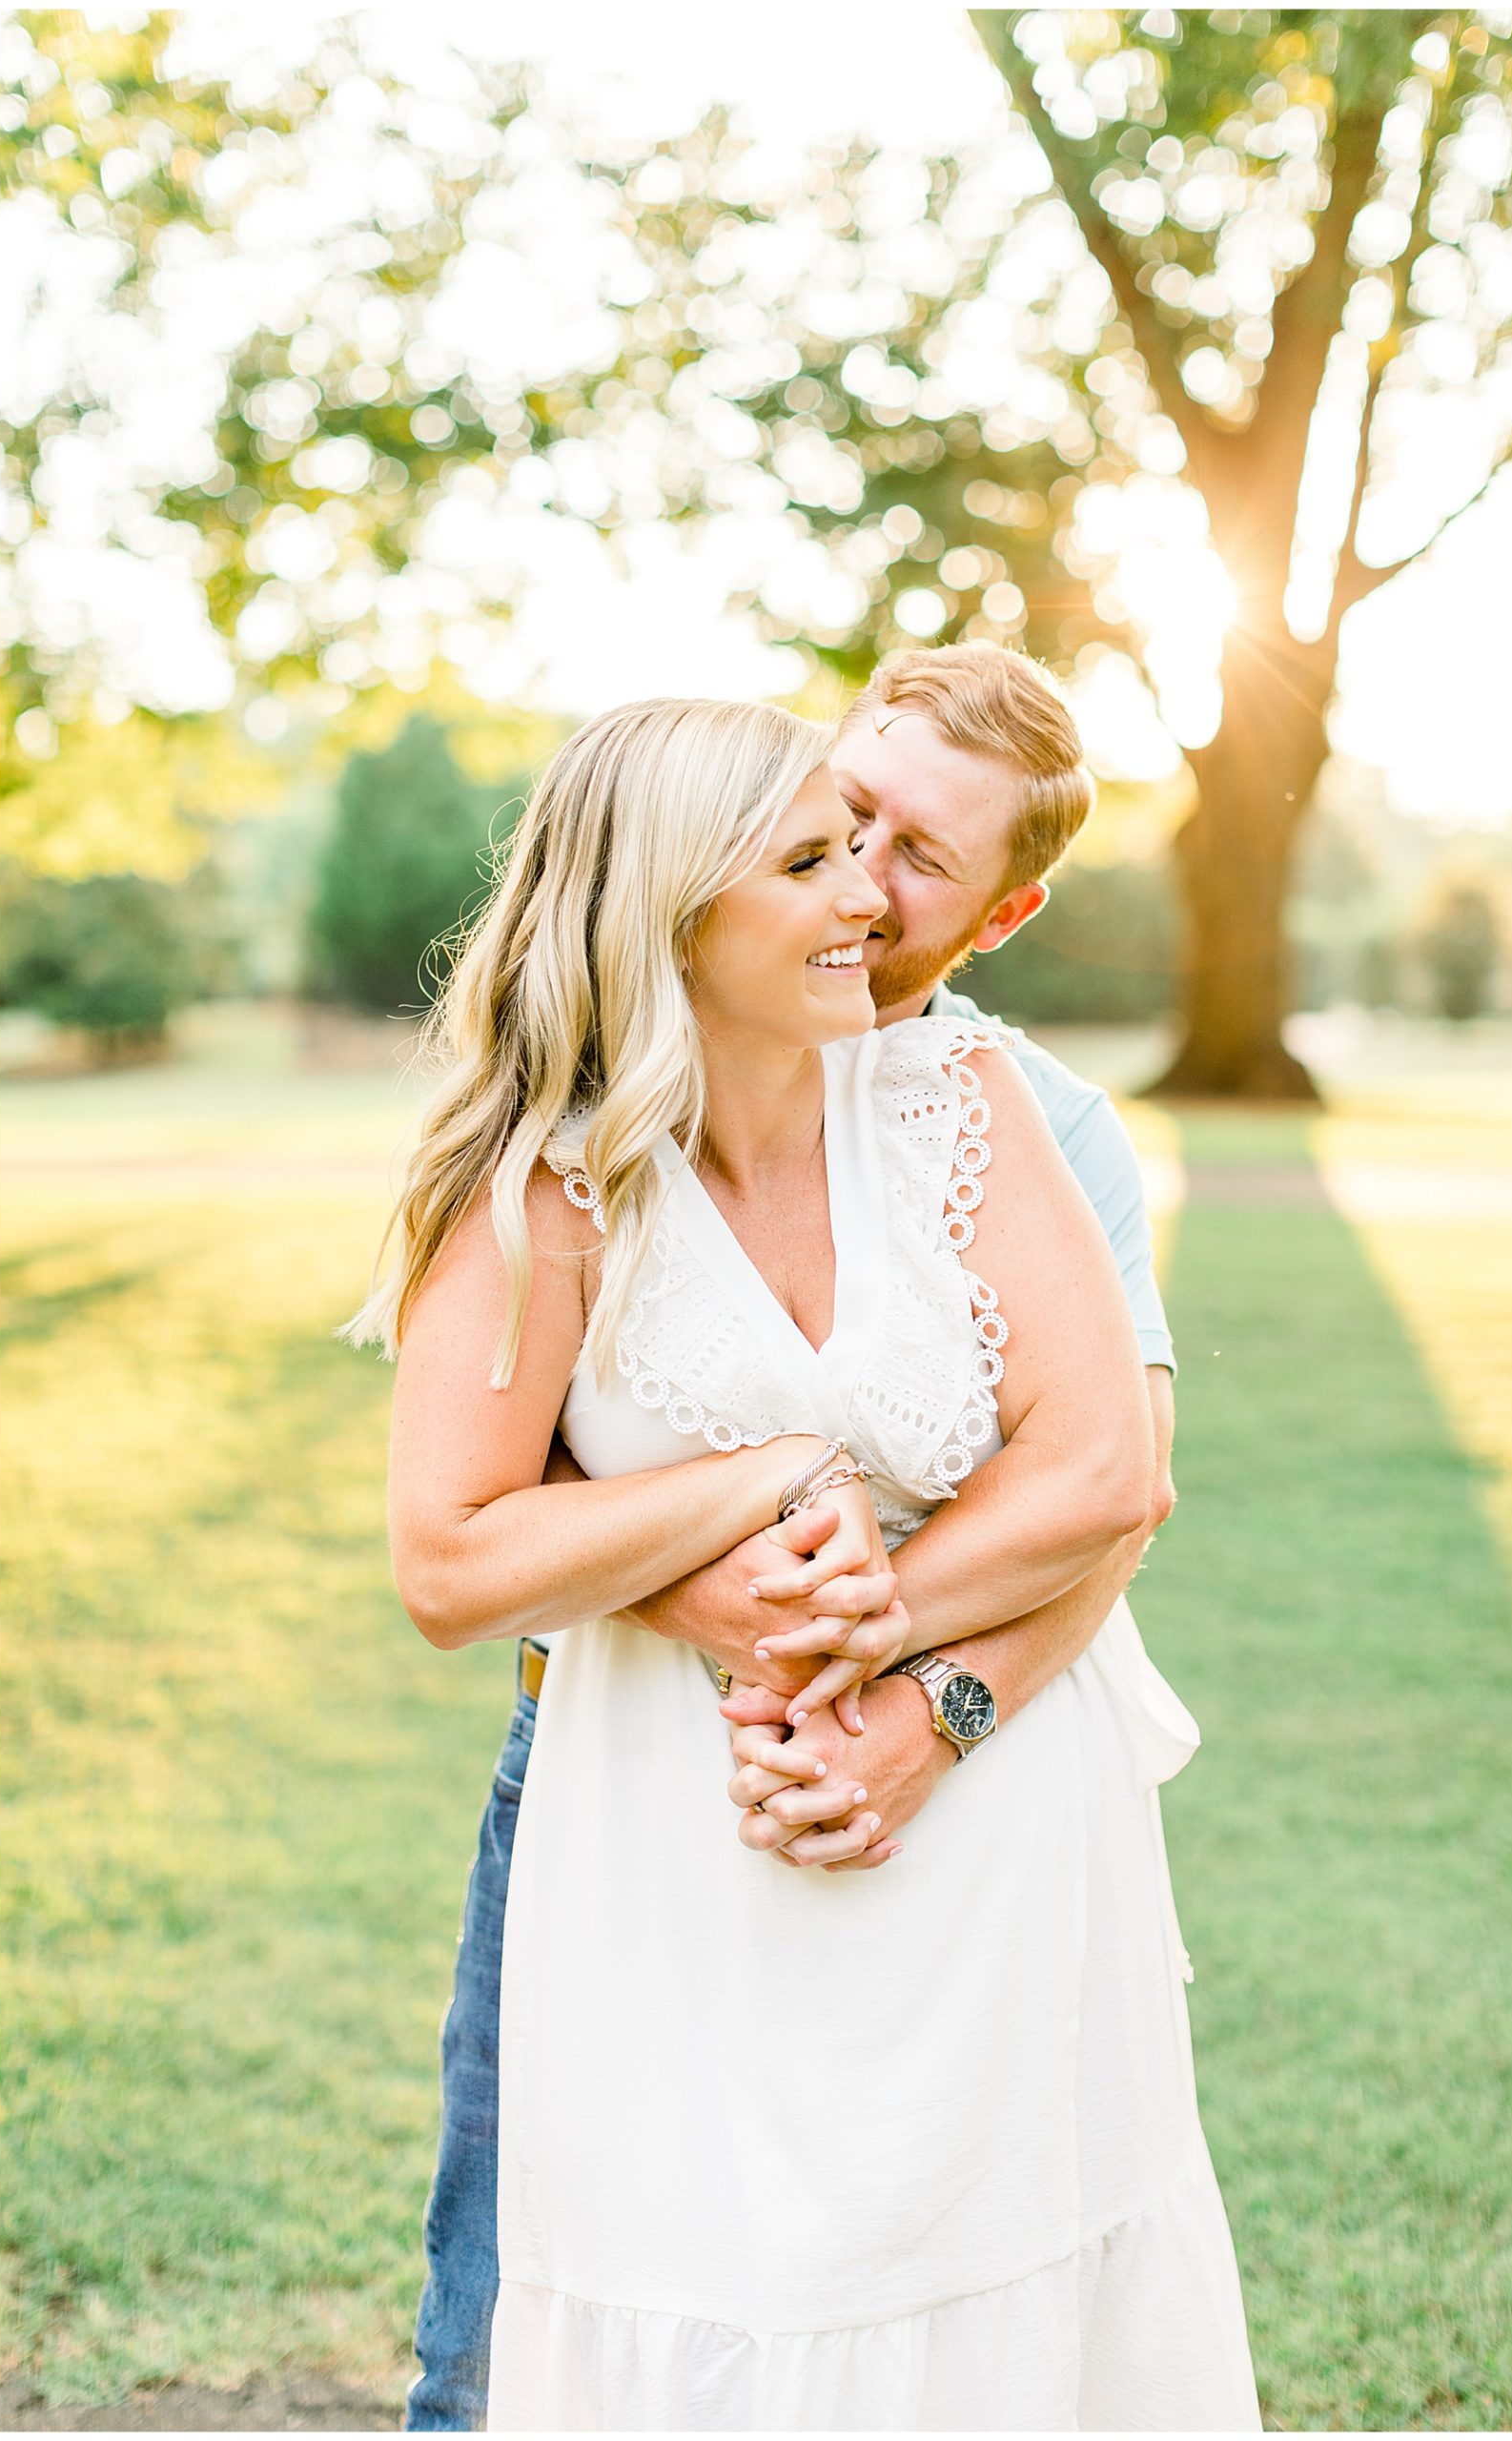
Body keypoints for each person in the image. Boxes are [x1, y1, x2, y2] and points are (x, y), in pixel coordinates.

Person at [372, 652, 1258, 2430]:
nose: (863, 884)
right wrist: (751, 1491)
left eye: (906, 860)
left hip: (992, 1798)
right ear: (673, 907)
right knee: (591, 2305)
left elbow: (1106, 1479)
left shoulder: (994, 1109)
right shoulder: (552, 1182)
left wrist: (895, 1685)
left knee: (1000, 2303)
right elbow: (457, 1542)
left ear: (999, 911)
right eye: (830, 840)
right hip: (647, 1795)